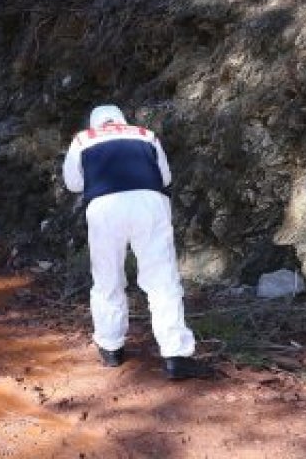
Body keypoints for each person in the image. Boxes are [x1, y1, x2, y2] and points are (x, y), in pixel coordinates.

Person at [62, 105, 212, 380]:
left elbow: (73, 183)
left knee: (107, 277)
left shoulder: (83, 139)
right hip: (149, 203)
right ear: (122, 120)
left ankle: (111, 349)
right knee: (162, 279)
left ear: (95, 122)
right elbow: (165, 177)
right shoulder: (146, 134)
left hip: (104, 206)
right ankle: (176, 356)